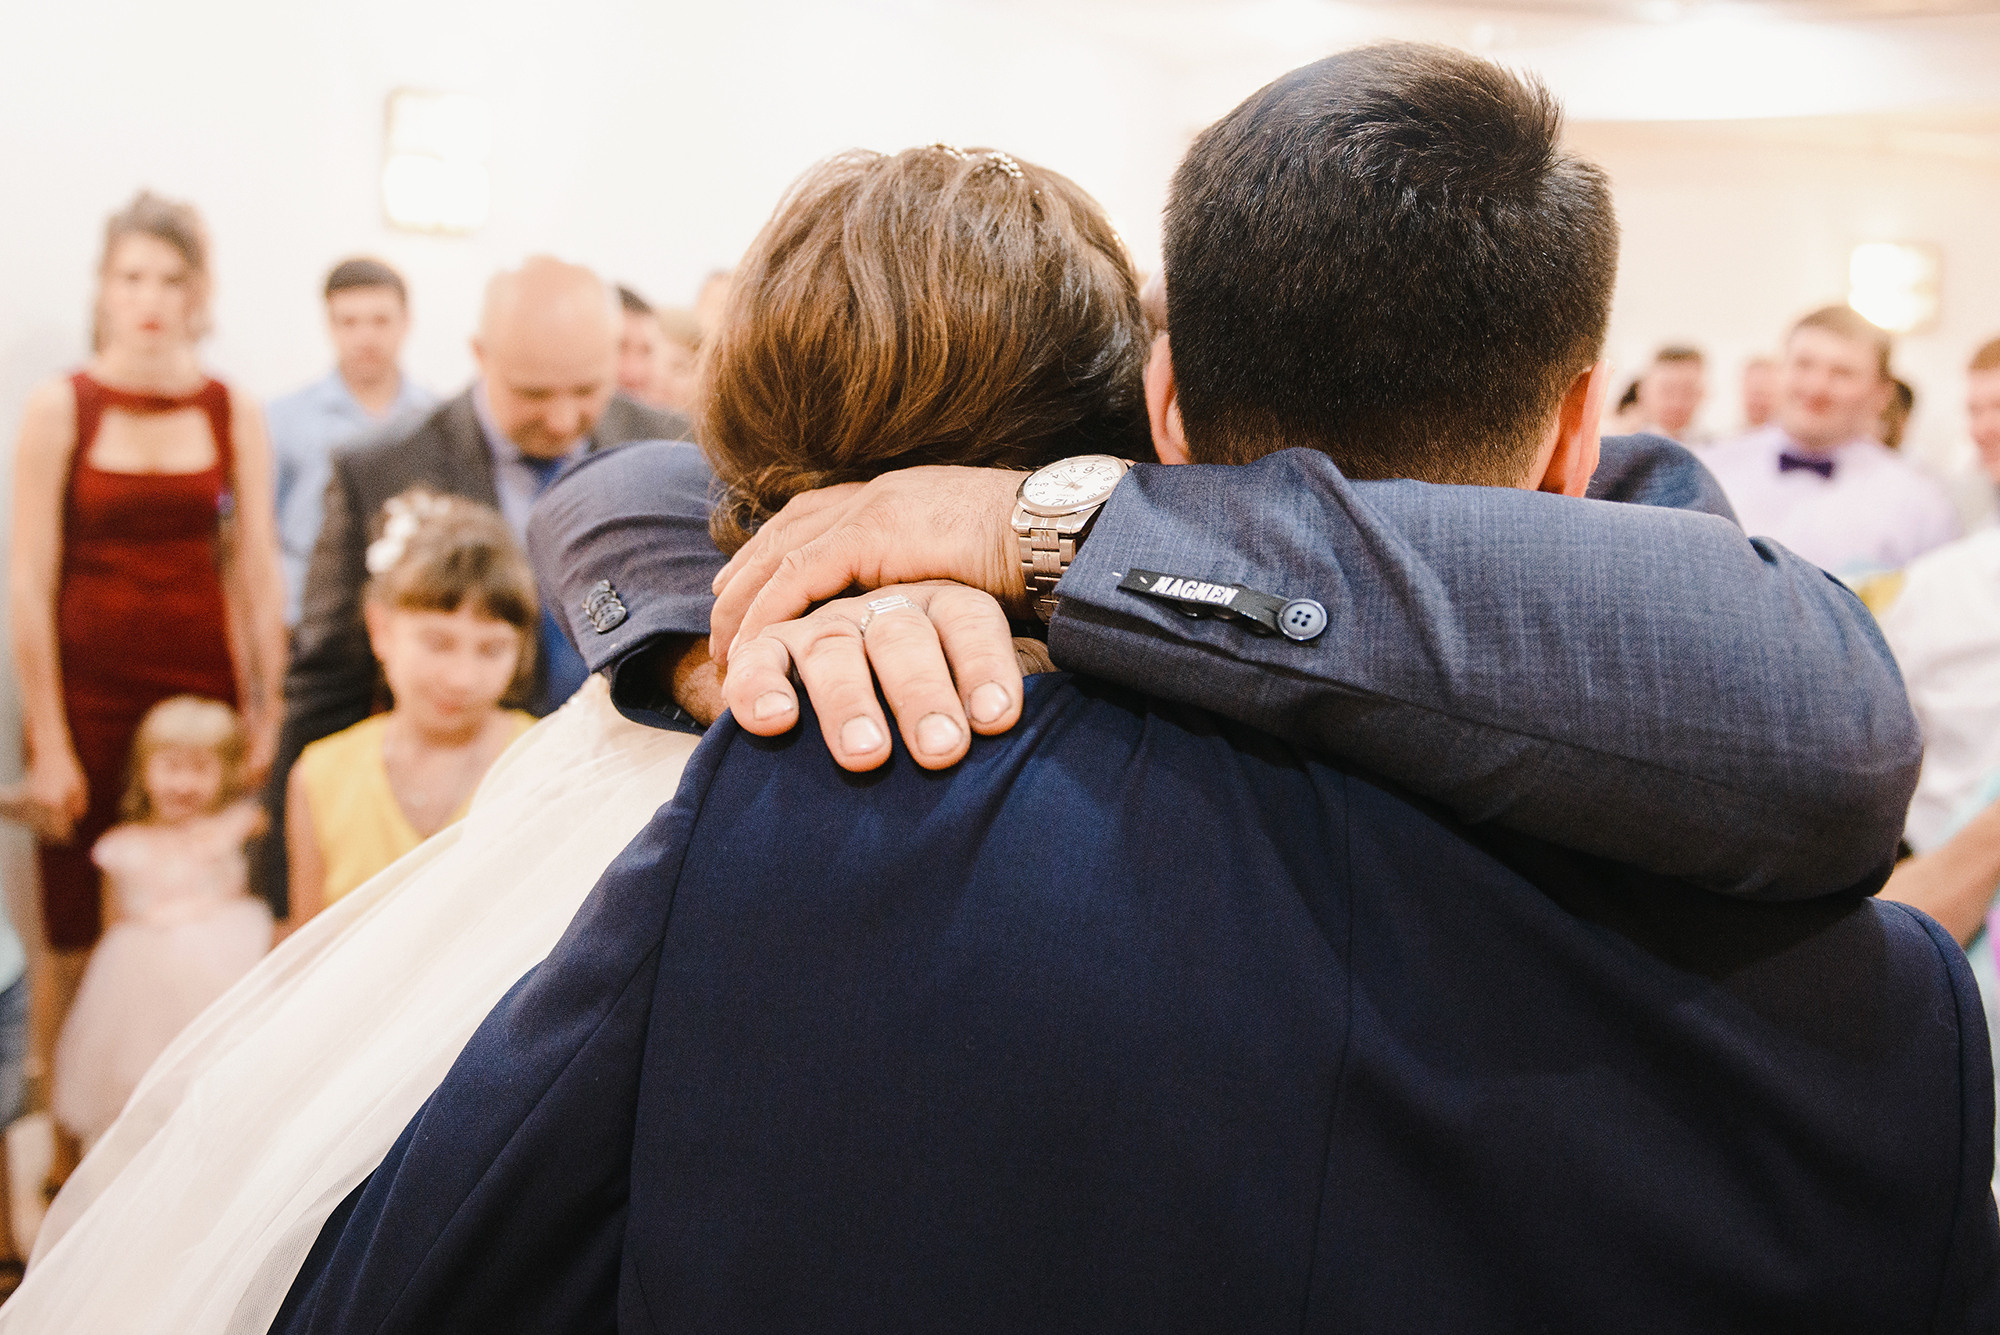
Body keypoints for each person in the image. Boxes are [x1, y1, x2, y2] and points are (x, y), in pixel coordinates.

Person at [5, 131, 1926, 1332]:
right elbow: (634, 494)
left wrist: (1006, 536)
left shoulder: (797, 834)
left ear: (1162, 414)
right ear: (1585, 426)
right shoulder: (1884, 1017)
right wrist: (761, 597)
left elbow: (419, 1273)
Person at [262, 256, 687, 912]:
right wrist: (285, 872)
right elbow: (327, 674)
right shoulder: (381, 466)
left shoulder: (664, 446)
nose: (563, 417)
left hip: (625, 809)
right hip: (458, 821)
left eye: (586, 388)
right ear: (480, 355)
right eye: (536, 393)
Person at [8, 189, 285, 1191]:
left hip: (198, 696)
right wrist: (46, 735)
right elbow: (28, 581)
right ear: (103, 288)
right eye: (130, 278)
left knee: (197, 908)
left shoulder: (229, 407)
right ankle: (66, 1145)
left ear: (199, 291)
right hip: (86, 697)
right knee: (79, 922)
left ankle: (188, 1136)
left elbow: (253, 566)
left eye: (170, 279)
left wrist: (271, 704)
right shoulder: (60, 404)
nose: (150, 298)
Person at [284, 493, 536, 929]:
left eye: (492, 649)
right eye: (437, 643)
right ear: (381, 629)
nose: (462, 678)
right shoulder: (321, 775)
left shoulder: (546, 760)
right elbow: (308, 956)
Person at [51, 696, 268, 1145]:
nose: (183, 783)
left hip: (223, 970)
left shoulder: (237, 828)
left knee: (222, 1070)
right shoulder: (121, 846)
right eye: (170, 767)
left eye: (200, 769)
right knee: (142, 1082)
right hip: (140, 985)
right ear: (144, 770)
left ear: (225, 774)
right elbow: (114, 925)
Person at [1704, 306, 1957, 576]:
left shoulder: (1921, 503)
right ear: (1778, 371)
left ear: (1881, 394)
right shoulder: (1709, 471)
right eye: (1803, 364)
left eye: (1842, 373)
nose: (1816, 388)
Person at [266, 259, 435, 625]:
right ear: (329, 326)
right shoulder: (283, 420)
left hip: (413, 617)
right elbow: (261, 536)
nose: (365, 337)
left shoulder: (435, 421)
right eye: (349, 322)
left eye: (380, 320)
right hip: (308, 618)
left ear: (406, 323)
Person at [1628, 343, 1706, 443]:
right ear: (1642, 391)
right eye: (1667, 391)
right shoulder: (1617, 444)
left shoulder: (1716, 448)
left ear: (1703, 393)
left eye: (1687, 392)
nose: (1676, 403)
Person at [1740, 353, 1777, 430]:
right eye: (1752, 394)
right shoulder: (1732, 438)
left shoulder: (1791, 438)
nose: (1756, 401)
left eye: (1762, 394)